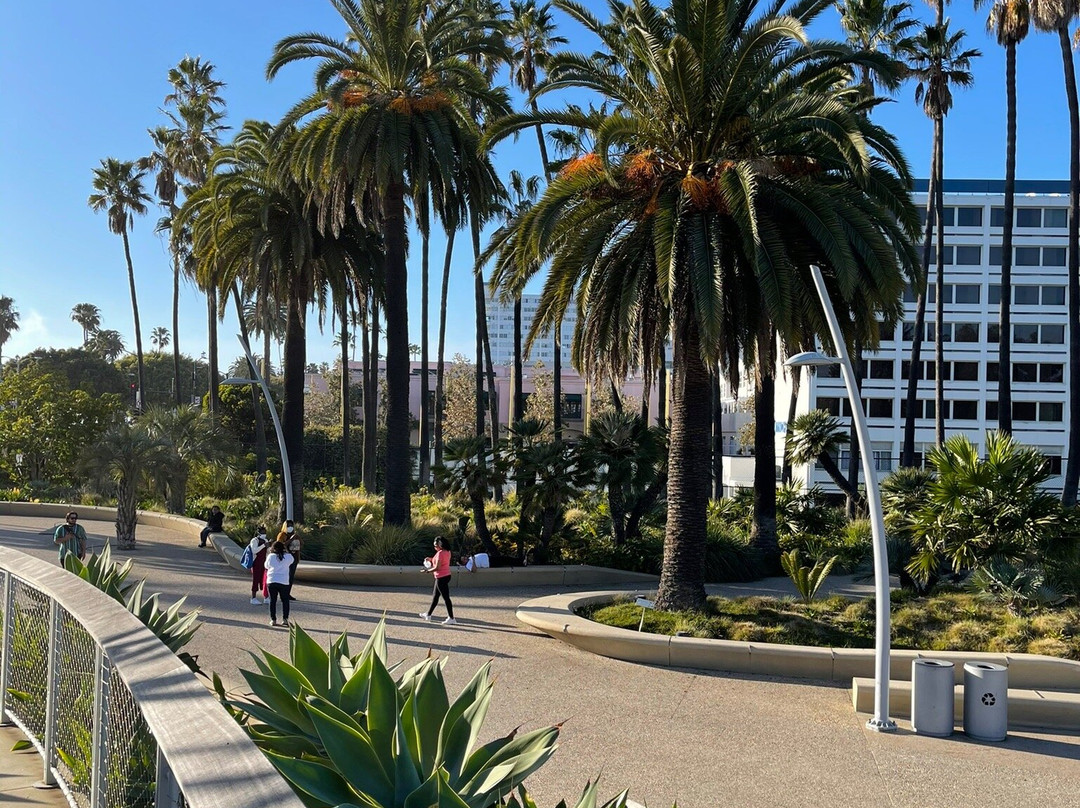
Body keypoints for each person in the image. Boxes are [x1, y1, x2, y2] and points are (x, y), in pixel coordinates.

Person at [419, 536, 456, 625]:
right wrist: (431, 559)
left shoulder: (440, 553)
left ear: (440, 544)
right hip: (445, 575)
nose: (435, 547)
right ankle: (428, 614)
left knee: (446, 598)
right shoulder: (447, 552)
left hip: (441, 577)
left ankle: (451, 618)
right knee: (435, 596)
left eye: (436, 545)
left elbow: (437, 567)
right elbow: (440, 562)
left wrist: (427, 570)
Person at [264, 540, 294, 628]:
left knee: (272, 600)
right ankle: (285, 619)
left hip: (272, 580)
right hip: (284, 581)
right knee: (285, 600)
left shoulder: (271, 556)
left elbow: (266, 566)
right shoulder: (288, 557)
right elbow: (292, 561)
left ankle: (273, 619)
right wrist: (286, 550)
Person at [277, 520, 300, 600]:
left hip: (294, 558)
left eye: (291, 526)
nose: (290, 527)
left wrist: (297, 539)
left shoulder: (294, 534)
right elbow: (279, 545)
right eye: (288, 526)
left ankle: (287, 593)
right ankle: (283, 593)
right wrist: (290, 539)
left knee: (291, 577)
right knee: (285, 577)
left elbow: (301, 544)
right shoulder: (282, 535)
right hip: (285, 559)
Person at [247, 526, 270, 605]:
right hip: (256, 563)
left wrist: (268, 547)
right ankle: (253, 598)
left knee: (265, 580)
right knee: (255, 580)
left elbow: (267, 552)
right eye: (263, 532)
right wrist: (264, 545)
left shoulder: (265, 540)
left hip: (264, 563)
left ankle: (266, 597)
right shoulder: (254, 540)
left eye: (265, 532)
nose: (264, 534)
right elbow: (254, 551)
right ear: (258, 533)